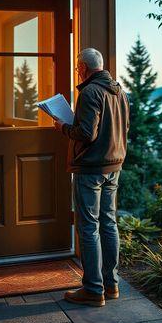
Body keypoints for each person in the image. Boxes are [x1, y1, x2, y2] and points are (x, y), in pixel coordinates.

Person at [54, 48, 130, 307]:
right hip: (114, 166)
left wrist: (63, 126)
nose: (77, 72)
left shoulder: (89, 92)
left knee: (89, 227)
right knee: (109, 224)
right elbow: (124, 127)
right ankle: (111, 285)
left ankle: (93, 290)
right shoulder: (119, 91)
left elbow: (86, 133)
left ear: (84, 68)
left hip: (91, 169)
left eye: (78, 68)